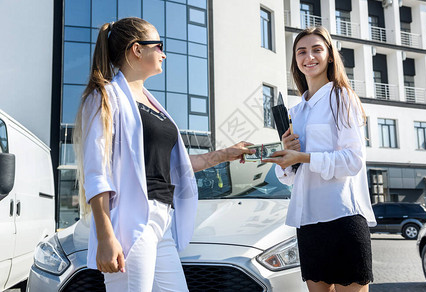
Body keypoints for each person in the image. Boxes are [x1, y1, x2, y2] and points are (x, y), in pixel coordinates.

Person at [73, 17, 255, 292]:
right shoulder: (104, 96)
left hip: (162, 222)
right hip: (131, 223)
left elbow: (175, 166)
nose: (163, 53)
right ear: (136, 49)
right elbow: (97, 172)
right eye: (158, 45)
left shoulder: (152, 104)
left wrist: (225, 154)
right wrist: (106, 235)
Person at [263, 26, 376, 292]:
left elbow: (353, 160)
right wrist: (286, 157)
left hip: (343, 217)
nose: (309, 57)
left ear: (330, 56)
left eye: (317, 49)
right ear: (295, 60)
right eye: (301, 51)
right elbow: (291, 177)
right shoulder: (295, 111)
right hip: (308, 222)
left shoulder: (343, 98)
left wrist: (302, 155)